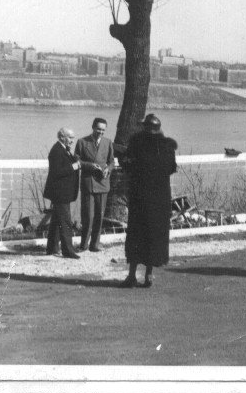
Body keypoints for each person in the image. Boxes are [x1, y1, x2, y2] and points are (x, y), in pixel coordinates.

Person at [119, 114, 177, 288]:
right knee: (153, 236)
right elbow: (171, 168)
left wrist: (125, 161)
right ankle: (149, 275)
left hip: (140, 196)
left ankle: (131, 276)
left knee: (136, 235)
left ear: (145, 127)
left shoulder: (137, 142)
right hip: (160, 199)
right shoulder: (168, 146)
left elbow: (128, 165)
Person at [74, 117, 115, 252]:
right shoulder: (82, 142)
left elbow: (111, 161)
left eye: (103, 130)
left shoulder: (108, 142)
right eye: (98, 129)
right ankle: (84, 245)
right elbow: (77, 161)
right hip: (89, 184)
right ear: (93, 127)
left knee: (99, 216)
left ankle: (95, 245)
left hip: (102, 183)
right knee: (88, 216)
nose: (100, 132)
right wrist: (90, 165)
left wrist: (108, 169)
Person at [43, 127, 81, 259]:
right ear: (62, 137)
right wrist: (73, 166)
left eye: (73, 138)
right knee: (65, 222)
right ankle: (68, 251)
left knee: (56, 221)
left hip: (62, 192)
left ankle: (51, 248)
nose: (72, 140)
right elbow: (56, 172)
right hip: (60, 193)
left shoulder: (63, 149)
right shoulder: (57, 151)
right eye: (70, 137)